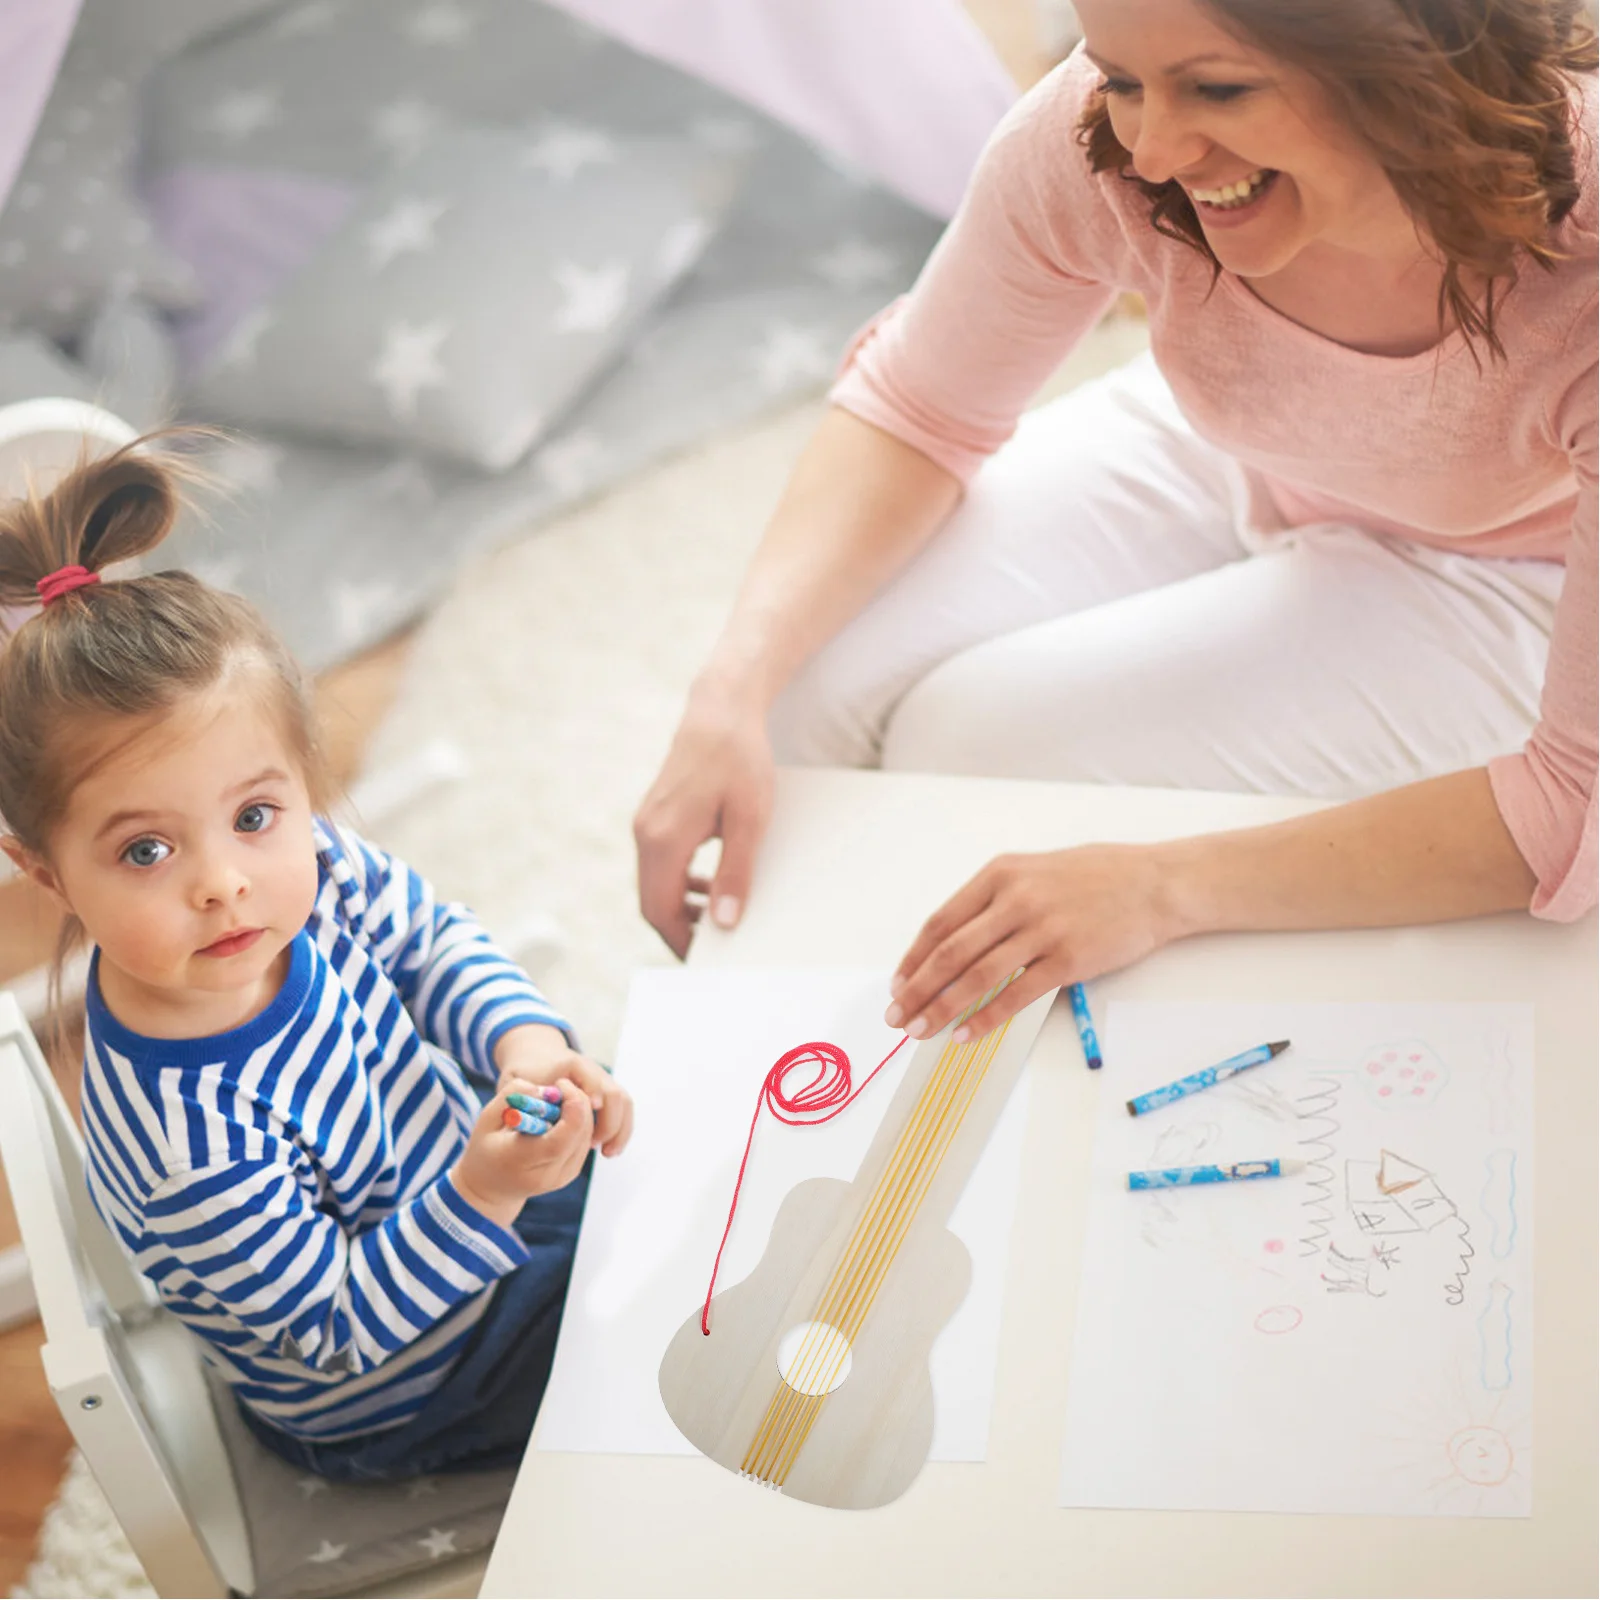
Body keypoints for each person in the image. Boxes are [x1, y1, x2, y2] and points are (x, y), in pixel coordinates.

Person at [634, 0, 1597, 1046]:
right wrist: (729, 682)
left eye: (1217, 89)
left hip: (1515, 578)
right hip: (1253, 439)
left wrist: (1161, 886)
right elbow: (920, 402)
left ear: (1417, 60)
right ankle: (734, 1081)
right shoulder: (1101, 135)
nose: (1151, 147)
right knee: (802, 696)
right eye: (1122, 78)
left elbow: (1570, 803)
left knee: (973, 750)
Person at [0, 438, 633, 1482]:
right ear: (49, 874)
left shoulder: (315, 866)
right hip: (414, 1375)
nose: (223, 882)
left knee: (677, 1180)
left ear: (300, 780)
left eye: (255, 814)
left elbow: (431, 940)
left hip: (455, 1196)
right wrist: (484, 1189)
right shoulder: (186, 1142)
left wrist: (522, 1048)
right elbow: (337, 1327)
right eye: (146, 850)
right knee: (665, 1351)